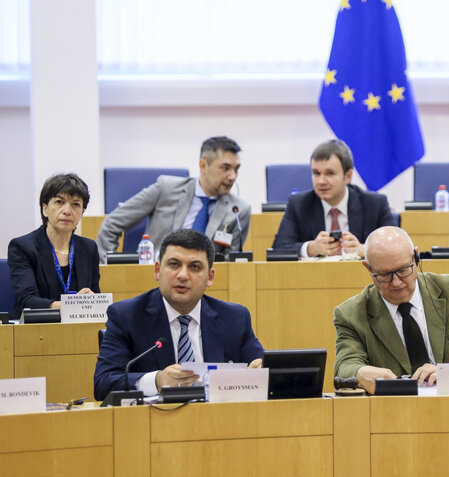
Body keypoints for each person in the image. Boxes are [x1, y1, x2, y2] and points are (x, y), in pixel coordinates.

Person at [334, 226, 449, 393]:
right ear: (368, 268)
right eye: (384, 275)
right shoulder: (351, 314)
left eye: (403, 270)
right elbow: (345, 367)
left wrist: (448, 373)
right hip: (393, 414)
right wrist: (361, 372)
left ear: (416, 257)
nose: (396, 282)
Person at [93, 229, 264, 400]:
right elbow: (103, 383)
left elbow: (266, 371)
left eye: (194, 267)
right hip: (154, 423)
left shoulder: (235, 318)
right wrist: (157, 380)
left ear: (210, 277)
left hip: (219, 421)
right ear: (157, 270)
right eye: (174, 264)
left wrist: (261, 372)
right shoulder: (126, 316)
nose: (183, 275)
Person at [96, 136, 251, 263]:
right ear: (203, 165)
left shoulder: (239, 210)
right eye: (225, 168)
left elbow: (231, 264)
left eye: (236, 169)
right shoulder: (166, 188)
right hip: (153, 276)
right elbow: (112, 224)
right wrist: (108, 270)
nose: (232, 176)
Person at [272, 139, 395, 258]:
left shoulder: (375, 204)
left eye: (330, 173)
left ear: (348, 176)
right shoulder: (299, 204)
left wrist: (365, 250)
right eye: (316, 173)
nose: (321, 181)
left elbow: (394, 247)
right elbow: (278, 249)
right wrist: (310, 248)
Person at [8, 173, 100, 319]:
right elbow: (27, 300)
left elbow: (96, 295)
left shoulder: (89, 248)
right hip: (36, 330)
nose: (67, 211)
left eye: (75, 204)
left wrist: (92, 300)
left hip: (79, 330)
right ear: (45, 209)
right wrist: (73, 305)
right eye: (59, 202)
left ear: (82, 213)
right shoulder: (22, 247)